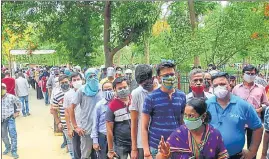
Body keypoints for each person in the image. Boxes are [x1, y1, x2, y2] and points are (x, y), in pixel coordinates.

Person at [207, 72, 263, 158]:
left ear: (230, 84)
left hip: (235, 156)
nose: (219, 87)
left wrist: (252, 151)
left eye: (222, 84)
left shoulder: (243, 105)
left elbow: (258, 127)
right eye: (215, 85)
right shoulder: (206, 105)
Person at [156, 98, 229, 159]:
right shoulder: (179, 133)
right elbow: (159, 157)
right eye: (185, 115)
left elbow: (222, 155)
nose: (187, 119)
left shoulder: (214, 134)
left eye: (191, 116)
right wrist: (165, 153)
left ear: (203, 116)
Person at [142, 61, 186, 158]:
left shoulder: (182, 96)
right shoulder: (151, 98)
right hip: (156, 148)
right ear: (158, 78)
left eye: (172, 74)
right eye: (166, 75)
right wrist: (146, 151)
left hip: (176, 146)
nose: (170, 78)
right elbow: (144, 127)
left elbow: (182, 122)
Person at [232, 65, 269, 152]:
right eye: (248, 73)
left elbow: (266, 103)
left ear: (255, 75)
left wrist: (260, 109)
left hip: (254, 121)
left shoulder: (261, 88)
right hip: (239, 121)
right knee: (237, 146)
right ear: (243, 75)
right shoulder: (236, 89)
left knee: (253, 148)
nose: (250, 75)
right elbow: (231, 104)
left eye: (252, 74)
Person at [70, 68, 102, 159]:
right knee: (85, 154)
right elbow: (71, 108)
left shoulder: (101, 89)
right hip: (86, 129)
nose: (93, 78)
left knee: (100, 154)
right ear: (86, 79)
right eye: (90, 76)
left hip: (100, 129)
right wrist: (75, 126)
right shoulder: (82, 90)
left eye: (94, 76)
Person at [129, 64, 154, 159]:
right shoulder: (136, 93)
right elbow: (134, 122)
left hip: (157, 140)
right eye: (142, 82)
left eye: (146, 80)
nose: (145, 84)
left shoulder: (160, 90)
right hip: (141, 143)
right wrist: (134, 148)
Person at [106, 77, 132, 159]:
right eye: (120, 88)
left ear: (129, 86)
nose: (123, 90)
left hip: (136, 142)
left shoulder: (135, 100)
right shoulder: (112, 106)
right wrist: (110, 150)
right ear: (114, 89)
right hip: (120, 144)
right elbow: (109, 129)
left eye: (125, 87)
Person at [51, 74, 74, 158]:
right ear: (59, 84)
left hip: (77, 123)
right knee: (71, 144)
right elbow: (53, 110)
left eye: (66, 82)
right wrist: (58, 122)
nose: (65, 84)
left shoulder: (75, 92)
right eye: (62, 83)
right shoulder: (57, 95)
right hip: (65, 124)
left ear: (69, 82)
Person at [91, 81, 114, 159]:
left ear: (114, 89)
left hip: (116, 137)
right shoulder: (99, 105)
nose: (108, 91)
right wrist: (95, 141)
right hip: (103, 137)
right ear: (102, 91)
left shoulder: (118, 103)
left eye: (110, 89)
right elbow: (95, 124)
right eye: (105, 90)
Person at [64, 72, 83, 159]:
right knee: (77, 151)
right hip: (76, 127)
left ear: (82, 80)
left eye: (78, 79)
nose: (76, 81)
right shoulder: (68, 95)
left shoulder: (87, 92)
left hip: (87, 126)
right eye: (74, 80)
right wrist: (69, 128)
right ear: (71, 82)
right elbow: (67, 112)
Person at [1, 83, 21, 159]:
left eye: (3, 88)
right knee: (3, 136)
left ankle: (14, 151)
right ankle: (8, 147)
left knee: (13, 134)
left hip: (10, 118)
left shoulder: (11, 97)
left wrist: (17, 112)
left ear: (5, 89)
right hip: (2, 121)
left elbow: (19, 103)